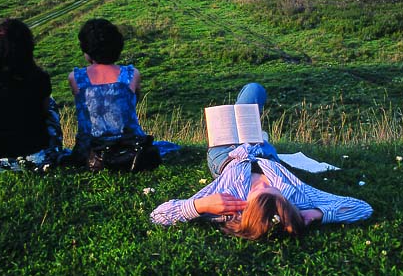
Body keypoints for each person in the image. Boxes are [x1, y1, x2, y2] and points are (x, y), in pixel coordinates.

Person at [151, 83, 373, 239]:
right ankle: (255, 130)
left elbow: (158, 216)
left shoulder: (228, 204)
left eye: (259, 191)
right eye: (274, 189)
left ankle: (243, 124)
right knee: (255, 89)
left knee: (233, 111)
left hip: (226, 156)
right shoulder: (300, 198)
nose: (265, 183)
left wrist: (199, 205)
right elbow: (362, 208)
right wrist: (315, 214)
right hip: (262, 152)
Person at [0, 18, 63, 173]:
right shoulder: (38, 78)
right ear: (28, 47)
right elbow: (44, 113)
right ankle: (54, 152)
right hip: (37, 160)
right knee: (51, 103)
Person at [66, 18, 159, 168]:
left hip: (90, 152)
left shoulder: (75, 78)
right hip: (130, 148)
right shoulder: (131, 74)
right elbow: (135, 101)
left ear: (87, 50)